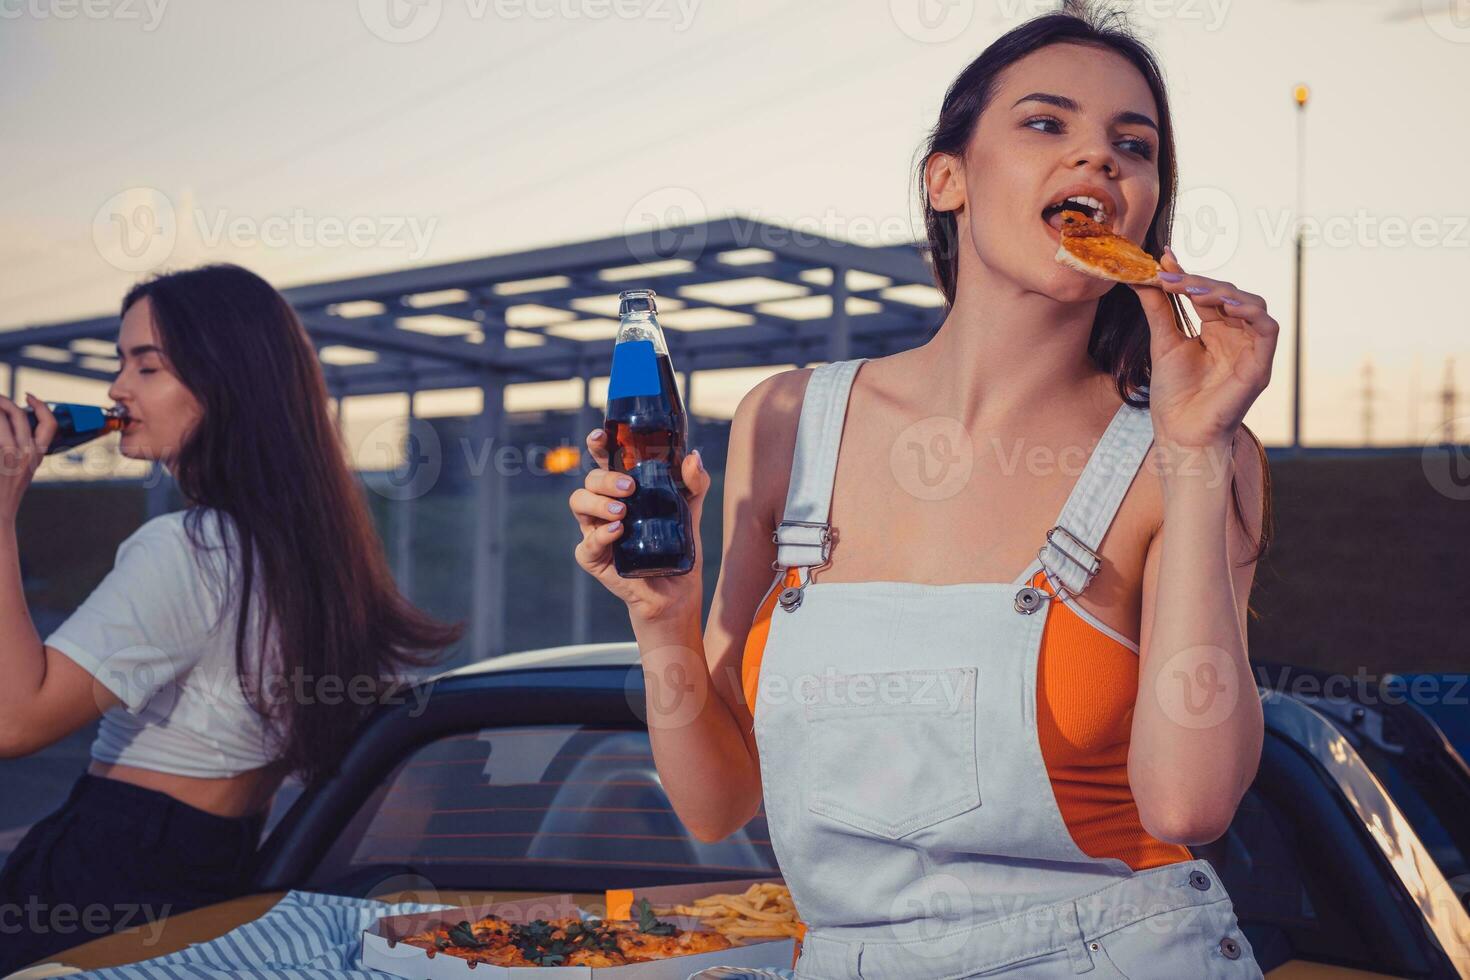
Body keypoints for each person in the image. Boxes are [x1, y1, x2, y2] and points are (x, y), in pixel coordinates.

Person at [569, 6, 1275, 978]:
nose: (1101, 160)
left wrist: (1195, 449)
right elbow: (716, 802)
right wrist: (662, 616)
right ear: (946, 178)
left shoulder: (1186, 451)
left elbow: (1190, 805)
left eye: (1133, 144)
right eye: (1046, 123)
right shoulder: (786, 423)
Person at [0, 264, 462, 972]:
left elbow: (15, 721)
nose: (117, 389)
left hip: (98, 883)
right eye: (120, 363)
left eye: (147, 366)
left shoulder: (185, 548)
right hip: (213, 888)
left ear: (225, 382)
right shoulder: (322, 558)